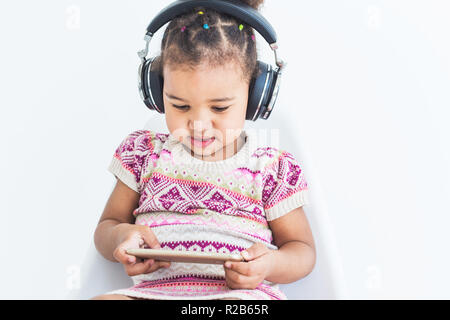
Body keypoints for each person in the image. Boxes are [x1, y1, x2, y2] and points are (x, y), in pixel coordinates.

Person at [91, 0, 316, 300]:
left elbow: (302, 252)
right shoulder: (143, 154)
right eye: (180, 105)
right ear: (157, 93)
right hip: (154, 294)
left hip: (236, 298)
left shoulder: (270, 169)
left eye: (220, 107)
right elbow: (107, 227)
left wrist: (269, 264)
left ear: (254, 97)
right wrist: (121, 237)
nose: (198, 124)